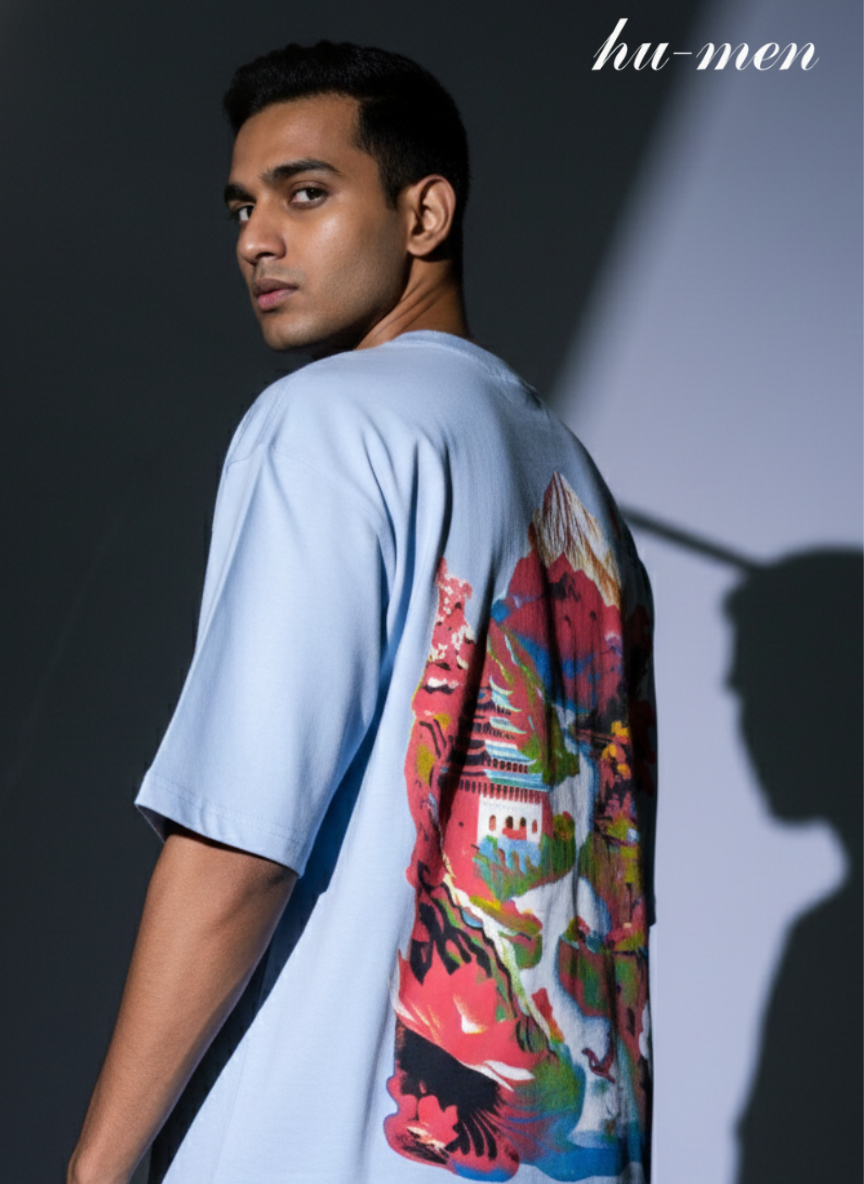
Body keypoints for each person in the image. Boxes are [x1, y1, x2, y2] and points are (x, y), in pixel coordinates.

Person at [68, 41, 657, 1184]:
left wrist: (98, 1164)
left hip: (330, 1140)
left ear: (424, 211)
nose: (255, 238)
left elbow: (241, 839)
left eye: (305, 192)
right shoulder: (580, 493)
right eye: (242, 206)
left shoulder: (332, 422)